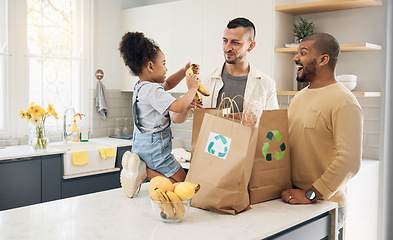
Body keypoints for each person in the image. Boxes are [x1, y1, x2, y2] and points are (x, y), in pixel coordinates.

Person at [281, 33, 363, 239]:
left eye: (303, 53)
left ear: (323, 60)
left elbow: (350, 161)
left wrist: (311, 194)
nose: (295, 58)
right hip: (294, 201)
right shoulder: (297, 99)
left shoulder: (345, 102)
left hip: (325, 206)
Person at [118, 31, 200, 198]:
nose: (166, 68)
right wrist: (192, 89)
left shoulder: (141, 86)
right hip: (155, 149)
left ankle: (143, 169)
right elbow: (177, 106)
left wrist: (185, 71)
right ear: (150, 66)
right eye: (164, 63)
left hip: (142, 144)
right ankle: (145, 172)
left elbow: (168, 83)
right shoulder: (152, 90)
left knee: (176, 185)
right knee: (181, 185)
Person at [200, 17, 279, 110]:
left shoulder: (266, 83)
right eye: (225, 41)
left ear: (251, 46)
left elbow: (271, 122)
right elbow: (183, 117)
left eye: (235, 43)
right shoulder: (204, 78)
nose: (227, 48)